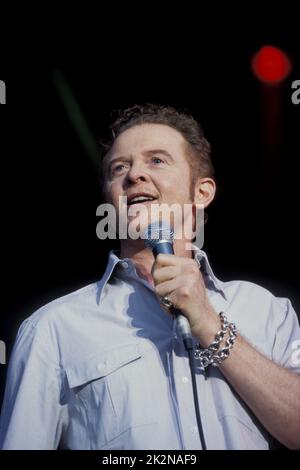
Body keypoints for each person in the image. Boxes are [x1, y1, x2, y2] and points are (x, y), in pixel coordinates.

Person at [0, 104, 299, 450]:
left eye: (156, 160)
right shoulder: (52, 328)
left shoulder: (266, 309)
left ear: (201, 192)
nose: (134, 175)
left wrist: (208, 323)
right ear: (109, 199)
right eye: (119, 167)